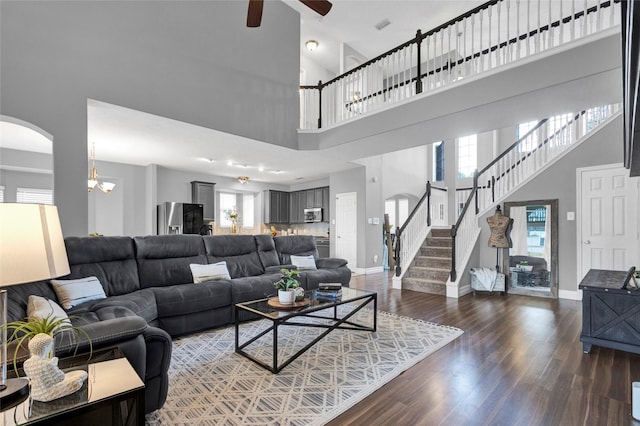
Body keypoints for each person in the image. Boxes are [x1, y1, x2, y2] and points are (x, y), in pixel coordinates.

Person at [22, 333, 87, 402]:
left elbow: (32, 378)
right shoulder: (47, 364)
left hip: (35, 393)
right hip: (48, 393)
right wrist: (54, 364)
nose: (50, 349)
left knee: (77, 374)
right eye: (50, 346)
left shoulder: (26, 363)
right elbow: (60, 378)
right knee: (78, 380)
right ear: (45, 347)